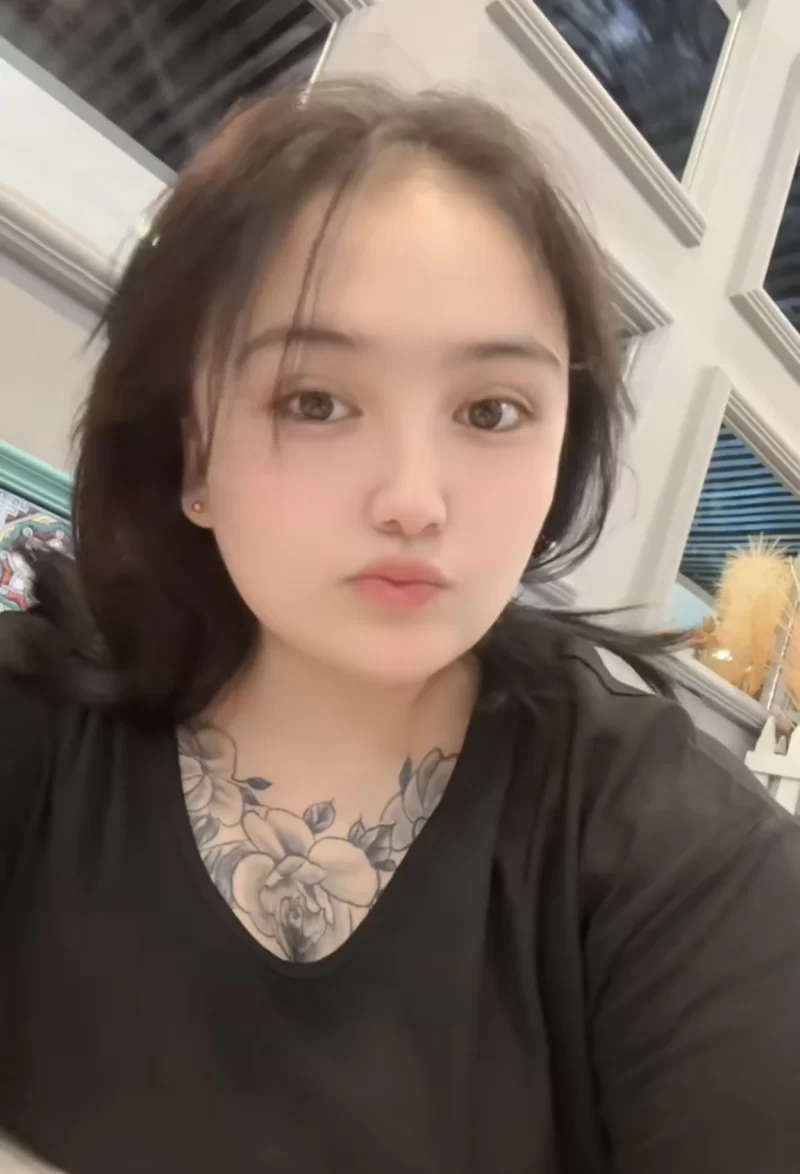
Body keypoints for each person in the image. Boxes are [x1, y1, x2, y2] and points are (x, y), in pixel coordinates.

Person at [1, 77, 799, 1174]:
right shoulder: (32, 723)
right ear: (193, 459)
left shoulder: (675, 853)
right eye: (315, 401)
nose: (414, 500)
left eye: (490, 411)